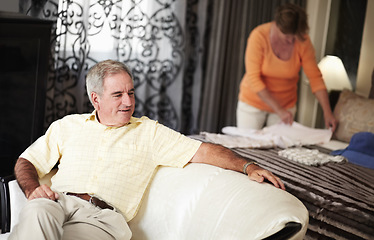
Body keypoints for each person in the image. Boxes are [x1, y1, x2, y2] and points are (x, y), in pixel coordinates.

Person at [9, 60, 285, 240]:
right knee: (35, 212)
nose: (128, 102)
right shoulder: (67, 126)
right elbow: (26, 161)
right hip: (58, 202)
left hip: (101, 220)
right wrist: (33, 189)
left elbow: (204, 150)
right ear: (96, 99)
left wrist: (249, 166)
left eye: (130, 93)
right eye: (118, 95)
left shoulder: (149, 132)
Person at [237, 3, 337, 131]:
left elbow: (315, 78)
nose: (291, 41)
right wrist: (278, 110)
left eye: (294, 37)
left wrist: (327, 112)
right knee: (246, 146)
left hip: (286, 105)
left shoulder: (303, 41)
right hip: (253, 102)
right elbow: (254, 79)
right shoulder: (258, 36)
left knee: (278, 149)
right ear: (277, 25)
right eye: (287, 37)